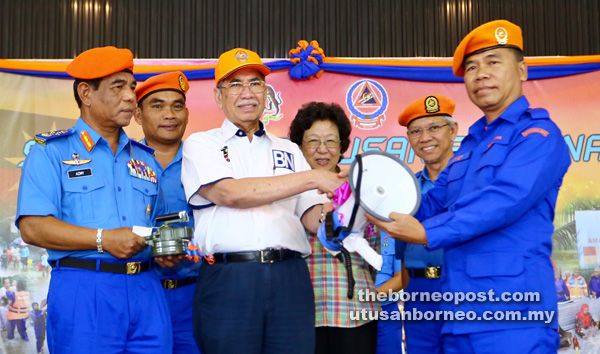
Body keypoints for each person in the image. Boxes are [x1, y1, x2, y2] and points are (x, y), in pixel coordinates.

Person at [367, 20, 571, 353]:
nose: (481, 74)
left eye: (493, 62)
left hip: (513, 313)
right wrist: (367, 194)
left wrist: (426, 233)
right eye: (472, 67)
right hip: (457, 313)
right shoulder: (470, 147)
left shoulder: (538, 136)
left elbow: (504, 200)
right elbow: (429, 203)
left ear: (521, 71)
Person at [181, 48, 345, 354]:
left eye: (255, 83)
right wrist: (314, 177)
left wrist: (346, 203)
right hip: (230, 278)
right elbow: (230, 194)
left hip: (290, 276)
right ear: (219, 96)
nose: (247, 93)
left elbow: (311, 216)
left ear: (266, 93)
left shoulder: (290, 150)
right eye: (235, 84)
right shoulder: (201, 144)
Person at [15, 46, 173, 353]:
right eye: (118, 87)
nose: (130, 96)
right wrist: (103, 239)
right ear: (86, 93)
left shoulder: (147, 160)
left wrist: (165, 252)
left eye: (131, 87)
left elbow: (156, 225)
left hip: (147, 289)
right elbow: (32, 227)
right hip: (85, 289)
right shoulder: (51, 153)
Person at [288, 101, 379, 354]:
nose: (322, 150)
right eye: (313, 141)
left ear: (342, 147)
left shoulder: (361, 187)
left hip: (354, 311)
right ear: (299, 146)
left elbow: (374, 251)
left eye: (331, 141)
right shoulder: (284, 188)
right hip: (299, 314)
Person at [134, 71, 201, 354]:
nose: (169, 114)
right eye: (157, 106)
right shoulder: (122, 161)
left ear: (186, 113)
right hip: (140, 291)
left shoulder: (205, 161)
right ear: (138, 115)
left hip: (196, 294)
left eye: (177, 106)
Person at [391, 94, 458, 354]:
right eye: (416, 131)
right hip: (419, 292)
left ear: (452, 131)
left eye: (433, 128)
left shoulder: (475, 181)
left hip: (466, 287)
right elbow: (394, 250)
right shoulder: (404, 193)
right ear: (409, 139)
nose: (425, 138)